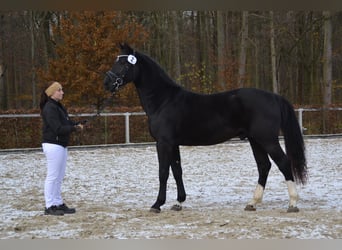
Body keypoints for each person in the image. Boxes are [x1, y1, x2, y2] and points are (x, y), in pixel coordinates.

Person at [39, 81, 84, 216]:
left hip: (61, 145)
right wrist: (74, 128)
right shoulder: (50, 108)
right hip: (53, 145)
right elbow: (57, 128)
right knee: (52, 176)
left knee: (59, 176)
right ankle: (49, 205)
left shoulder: (58, 106)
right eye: (59, 90)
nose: (62, 92)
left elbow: (66, 123)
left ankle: (58, 203)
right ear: (52, 92)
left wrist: (77, 124)